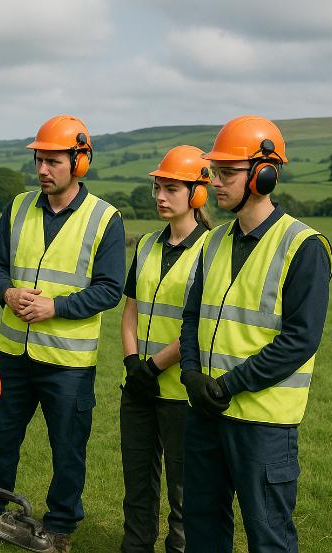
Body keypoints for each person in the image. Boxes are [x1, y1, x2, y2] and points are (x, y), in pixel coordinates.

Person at [0, 115, 126, 553]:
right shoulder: (19, 206)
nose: (43, 169)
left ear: (79, 163)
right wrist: (6, 292)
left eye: (53, 161)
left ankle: (58, 529)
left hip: (68, 364)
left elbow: (110, 289)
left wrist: (54, 307)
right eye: (39, 160)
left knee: (68, 452)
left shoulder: (105, 219)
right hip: (12, 356)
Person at [179, 116, 332, 553]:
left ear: (264, 176)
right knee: (203, 530)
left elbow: (299, 340)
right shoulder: (212, 241)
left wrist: (227, 384)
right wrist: (191, 374)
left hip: (263, 423)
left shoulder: (303, 246)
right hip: (206, 411)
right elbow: (191, 317)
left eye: (227, 173)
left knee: (268, 538)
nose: (216, 182)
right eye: (214, 171)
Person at [120, 145, 212, 553]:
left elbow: (197, 326)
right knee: (137, 481)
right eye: (158, 187)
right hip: (138, 386)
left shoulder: (212, 250)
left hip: (180, 393)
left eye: (171, 188)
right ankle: (135, 546)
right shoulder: (145, 245)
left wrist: (153, 367)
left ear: (197, 194)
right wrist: (131, 364)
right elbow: (130, 311)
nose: (160, 196)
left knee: (183, 490)